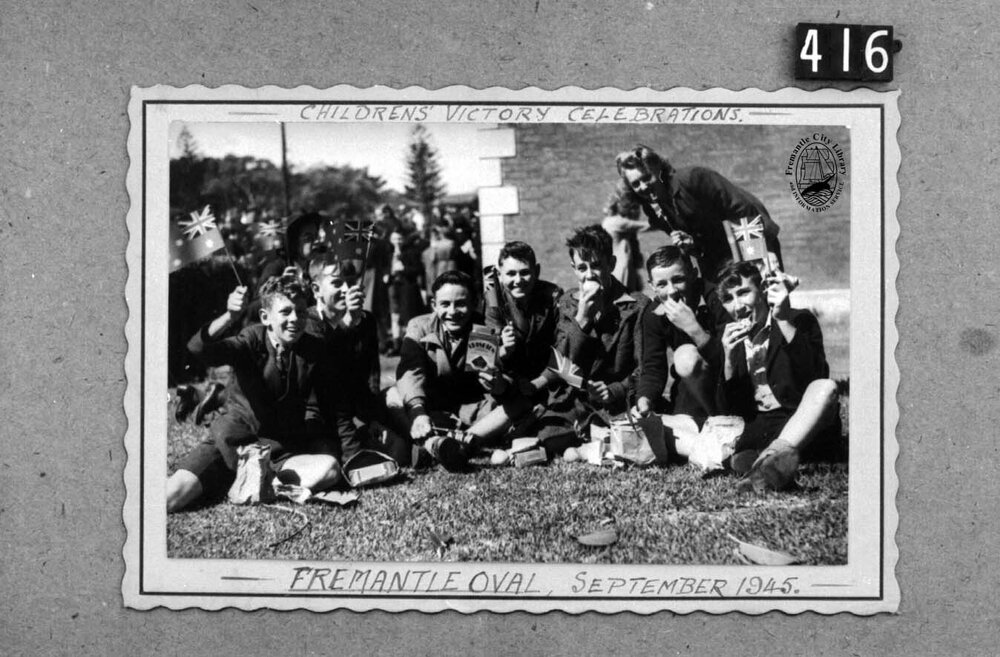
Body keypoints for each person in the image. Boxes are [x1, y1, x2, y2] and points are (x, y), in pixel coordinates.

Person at [166, 275, 344, 512]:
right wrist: (230, 316)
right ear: (265, 317)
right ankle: (240, 479)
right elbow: (198, 348)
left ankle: (256, 481)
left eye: (301, 312)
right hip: (231, 445)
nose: (295, 319)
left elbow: (328, 407)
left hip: (277, 454)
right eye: (286, 312)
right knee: (169, 499)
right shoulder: (251, 340)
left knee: (330, 468)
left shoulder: (312, 348)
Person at [389, 270, 534, 471]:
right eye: (445, 304)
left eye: (461, 304)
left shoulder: (481, 327)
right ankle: (433, 444)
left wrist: (496, 381)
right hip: (430, 406)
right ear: (434, 305)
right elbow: (411, 372)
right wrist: (418, 412)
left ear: (474, 303)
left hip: (469, 408)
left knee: (517, 404)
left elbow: (485, 379)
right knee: (392, 395)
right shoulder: (419, 326)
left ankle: (457, 447)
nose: (453, 311)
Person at [715, 261, 840, 491]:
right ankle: (769, 463)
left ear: (763, 291)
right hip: (763, 425)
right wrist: (729, 359)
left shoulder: (799, 320)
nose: (738, 306)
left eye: (743, 293)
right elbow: (732, 411)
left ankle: (767, 459)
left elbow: (814, 375)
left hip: (801, 419)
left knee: (825, 387)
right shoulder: (728, 338)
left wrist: (783, 320)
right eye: (728, 299)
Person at [534, 225, 651, 454]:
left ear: (612, 264)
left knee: (630, 436)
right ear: (574, 269)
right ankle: (588, 434)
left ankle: (592, 438)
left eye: (596, 266)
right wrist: (582, 320)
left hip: (616, 402)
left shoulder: (637, 305)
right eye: (582, 268)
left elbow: (645, 367)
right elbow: (559, 364)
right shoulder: (567, 303)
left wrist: (615, 389)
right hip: (575, 401)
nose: (589, 275)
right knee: (548, 438)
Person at [615, 144, 782, 280]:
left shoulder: (693, 178)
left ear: (658, 169)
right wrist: (692, 245)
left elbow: (742, 210)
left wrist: (759, 257)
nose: (643, 187)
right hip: (716, 258)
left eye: (647, 177)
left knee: (763, 299)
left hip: (753, 242)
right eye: (636, 184)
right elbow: (702, 245)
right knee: (717, 307)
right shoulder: (652, 209)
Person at [635, 245, 728, 421]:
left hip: (727, 383)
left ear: (693, 274)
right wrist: (644, 399)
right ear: (652, 286)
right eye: (662, 284)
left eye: (678, 279)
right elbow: (653, 368)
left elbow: (731, 359)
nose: (672, 291)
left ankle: (718, 421)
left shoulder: (716, 297)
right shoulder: (654, 313)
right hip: (691, 386)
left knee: (685, 356)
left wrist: (693, 328)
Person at [482, 241, 563, 401]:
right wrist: (504, 349)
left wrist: (541, 381)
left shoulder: (552, 295)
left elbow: (566, 345)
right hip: (507, 381)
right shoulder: (491, 299)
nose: (518, 280)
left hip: (548, 378)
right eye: (511, 274)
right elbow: (480, 358)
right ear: (499, 274)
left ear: (537, 271)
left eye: (525, 272)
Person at [601, 181, 649, 293]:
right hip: (621, 267)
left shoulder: (610, 221)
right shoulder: (617, 222)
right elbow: (647, 226)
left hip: (618, 266)